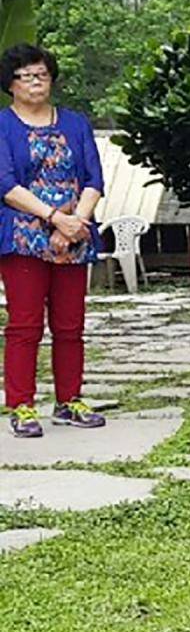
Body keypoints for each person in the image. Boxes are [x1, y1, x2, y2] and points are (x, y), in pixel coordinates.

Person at [1, 43, 107, 438]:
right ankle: (22, 405)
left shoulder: (76, 123)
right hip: (23, 238)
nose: (35, 82)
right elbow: (6, 185)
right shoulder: (3, 126)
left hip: (75, 237)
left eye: (42, 74)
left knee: (70, 325)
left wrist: (76, 221)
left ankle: (69, 400)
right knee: (25, 325)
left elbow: (94, 180)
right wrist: (53, 219)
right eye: (26, 75)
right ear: (10, 84)